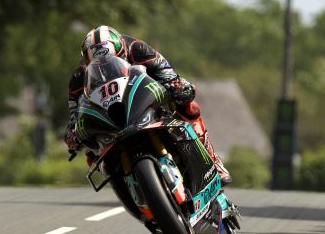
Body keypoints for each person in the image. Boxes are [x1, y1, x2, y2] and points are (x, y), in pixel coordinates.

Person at [64, 25, 231, 184]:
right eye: (99, 64)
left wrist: (176, 85)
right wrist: (73, 133)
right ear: (87, 61)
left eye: (111, 60)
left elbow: (166, 72)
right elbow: (75, 114)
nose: (105, 67)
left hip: (144, 98)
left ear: (122, 50)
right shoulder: (79, 77)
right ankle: (119, 179)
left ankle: (211, 157)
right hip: (110, 116)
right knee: (89, 150)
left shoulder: (138, 49)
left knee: (189, 106)